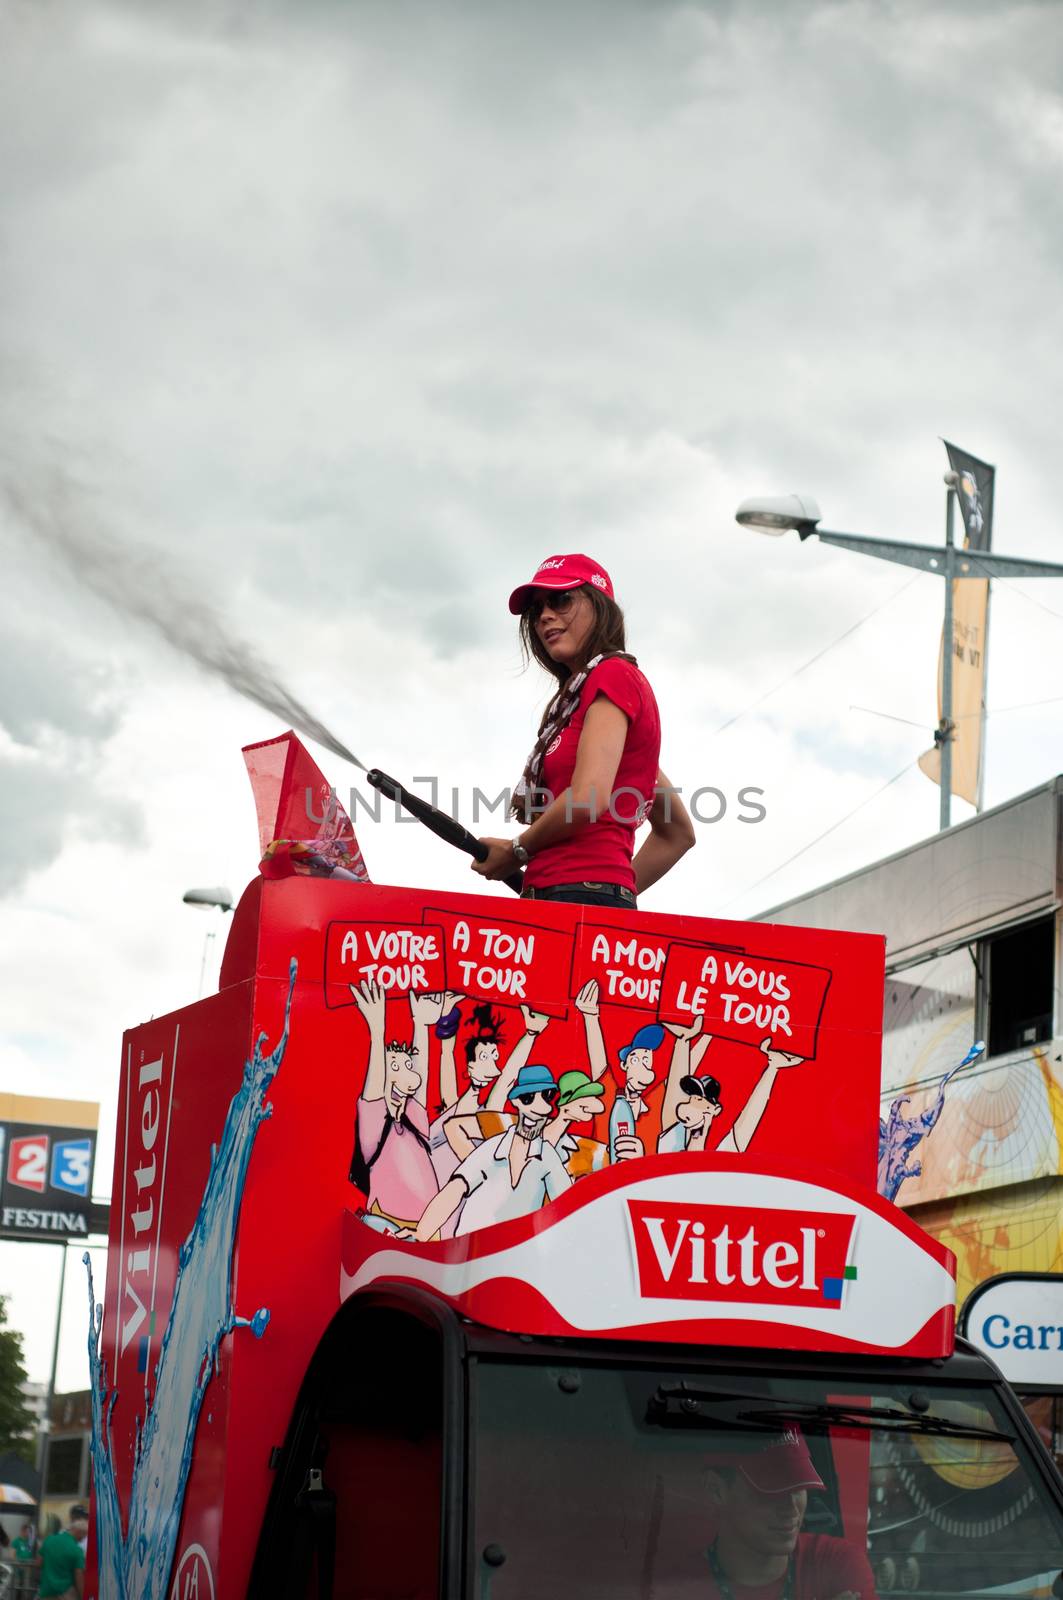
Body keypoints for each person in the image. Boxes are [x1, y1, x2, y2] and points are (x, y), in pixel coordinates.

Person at [472, 553, 695, 908]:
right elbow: (678, 833)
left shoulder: (612, 675)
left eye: (561, 600)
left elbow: (588, 798)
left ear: (599, 607)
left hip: (574, 899)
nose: (545, 615)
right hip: (571, 898)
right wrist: (614, 890)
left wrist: (517, 850)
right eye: (537, 610)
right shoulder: (580, 702)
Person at [704, 1428, 876, 1600]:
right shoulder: (682, 1580)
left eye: (798, 1489)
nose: (792, 1510)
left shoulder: (839, 1562)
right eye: (771, 1492)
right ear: (717, 1490)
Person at [415, 1063, 571, 1239]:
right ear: (516, 1102)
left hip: (514, 1254)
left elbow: (569, 1207)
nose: (535, 1110)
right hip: (472, 1249)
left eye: (545, 1098)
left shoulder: (548, 1158)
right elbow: (455, 1190)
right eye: (528, 1098)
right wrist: (420, 1236)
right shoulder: (492, 1149)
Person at [36, 1507, 88, 1599]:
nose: (82, 1539)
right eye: (83, 1535)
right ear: (79, 1532)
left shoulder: (49, 1540)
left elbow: (39, 1563)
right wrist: (83, 1596)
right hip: (65, 1593)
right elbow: (78, 1576)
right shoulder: (77, 1550)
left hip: (46, 1591)